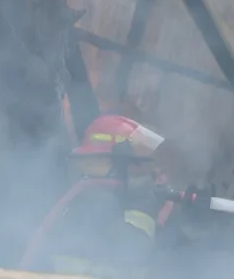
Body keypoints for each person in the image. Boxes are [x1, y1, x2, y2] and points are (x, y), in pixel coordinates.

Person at [20, 114, 171, 278]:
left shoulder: (85, 201)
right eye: (152, 170)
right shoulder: (98, 207)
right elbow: (135, 248)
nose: (161, 179)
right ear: (121, 163)